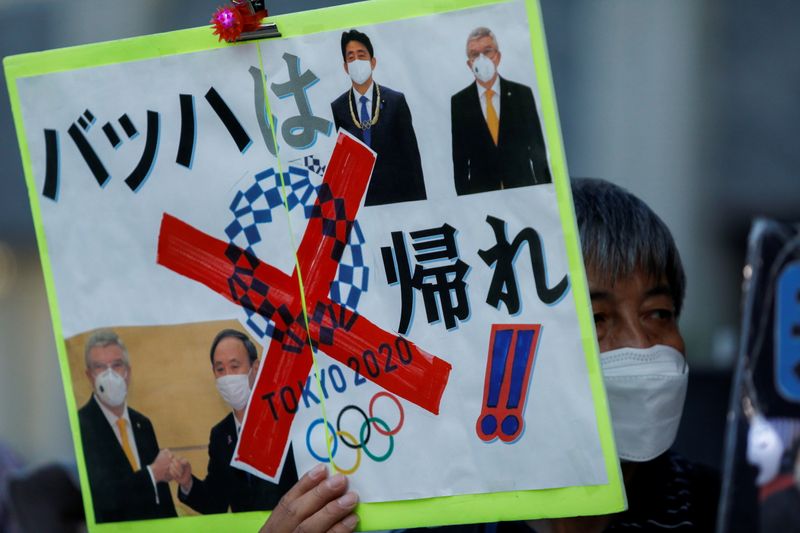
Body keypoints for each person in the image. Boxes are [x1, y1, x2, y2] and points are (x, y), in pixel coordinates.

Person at [260, 178, 720, 532]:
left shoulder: (724, 508)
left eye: (659, 313)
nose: (641, 345)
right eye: (597, 318)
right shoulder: (436, 519)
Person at [170, 329, 298, 514]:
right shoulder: (221, 435)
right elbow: (215, 504)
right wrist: (187, 482)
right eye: (220, 369)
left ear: (255, 369)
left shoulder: (288, 420)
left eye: (235, 366)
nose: (228, 376)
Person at [77, 330, 176, 523]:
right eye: (100, 367)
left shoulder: (143, 424)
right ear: (89, 376)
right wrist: (152, 473)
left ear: (128, 372)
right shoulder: (81, 426)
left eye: (116, 365)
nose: (110, 374)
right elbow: (101, 498)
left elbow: (163, 500)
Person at [330, 29, 427, 206]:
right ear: (345, 67)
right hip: (361, 204)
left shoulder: (395, 101)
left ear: (372, 62)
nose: (356, 61)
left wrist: (420, 203)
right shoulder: (338, 108)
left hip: (399, 198)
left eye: (361, 55)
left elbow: (412, 159)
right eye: (351, 58)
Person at [451, 27, 551, 196]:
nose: (481, 58)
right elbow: (459, 159)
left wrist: (546, 192)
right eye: (475, 54)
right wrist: (464, 201)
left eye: (487, 51)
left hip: (523, 188)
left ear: (498, 56)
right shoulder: (460, 102)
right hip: (482, 193)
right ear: (469, 63)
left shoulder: (522, 94)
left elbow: (537, 148)